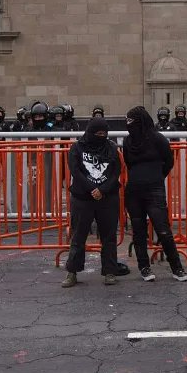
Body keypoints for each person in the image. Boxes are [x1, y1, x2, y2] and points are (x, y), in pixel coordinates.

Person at [122, 106, 187, 282]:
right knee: (138, 230)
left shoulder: (158, 139)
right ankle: (144, 267)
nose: (129, 124)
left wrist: (157, 177)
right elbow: (128, 162)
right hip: (134, 190)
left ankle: (177, 268)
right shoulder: (128, 141)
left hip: (154, 189)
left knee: (163, 229)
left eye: (131, 121)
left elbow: (169, 161)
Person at [61, 117, 122, 288]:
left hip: (107, 197)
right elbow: (75, 171)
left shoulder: (111, 147)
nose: (101, 136)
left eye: (104, 133)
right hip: (82, 197)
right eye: (98, 133)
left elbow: (115, 171)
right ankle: (72, 272)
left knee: (109, 236)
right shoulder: (77, 147)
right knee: (78, 236)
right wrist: (91, 189)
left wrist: (102, 190)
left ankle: (110, 271)